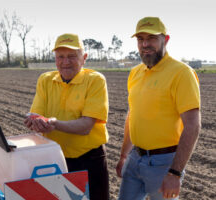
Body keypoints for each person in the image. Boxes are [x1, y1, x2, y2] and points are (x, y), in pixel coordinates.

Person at [116, 17, 201, 200]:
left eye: (152, 38)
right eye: (140, 39)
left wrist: (175, 173)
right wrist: (124, 155)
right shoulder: (135, 73)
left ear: (166, 39)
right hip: (135, 159)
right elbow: (133, 115)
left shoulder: (181, 73)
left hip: (164, 163)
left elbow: (193, 126)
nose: (145, 44)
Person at [24, 33, 109, 200]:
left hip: (89, 160)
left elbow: (85, 127)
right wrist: (34, 121)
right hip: (54, 159)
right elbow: (37, 114)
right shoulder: (46, 80)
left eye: (71, 56)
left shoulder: (95, 80)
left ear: (84, 58)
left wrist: (54, 124)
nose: (65, 62)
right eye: (60, 57)